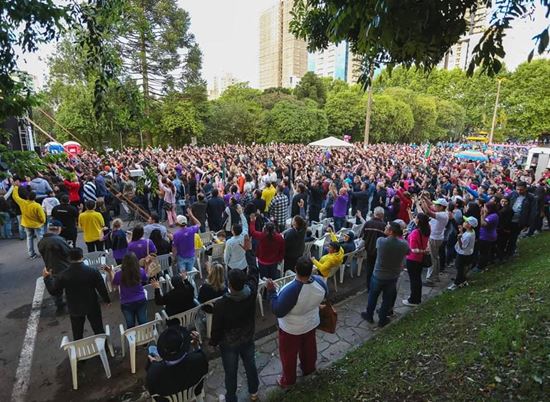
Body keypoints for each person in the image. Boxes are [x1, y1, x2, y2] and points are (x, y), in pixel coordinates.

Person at [266, 256, 327, 388]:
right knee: (309, 348)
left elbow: (278, 310)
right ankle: (309, 368)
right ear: (311, 270)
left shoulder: (291, 290)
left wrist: (271, 292)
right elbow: (323, 296)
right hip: (311, 322)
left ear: (295, 269)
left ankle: (288, 380)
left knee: (289, 355)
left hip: (291, 329)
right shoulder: (320, 283)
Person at [210, 243, 260, 402]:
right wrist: (249, 252)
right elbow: (254, 271)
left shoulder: (221, 304)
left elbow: (216, 328)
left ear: (229, 285)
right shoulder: (251, 292)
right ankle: (254, 392)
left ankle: (231, 397)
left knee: (231, 371)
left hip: (229, 343)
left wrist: (213, 342)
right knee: (250, 365)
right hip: (247, 337)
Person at [43, 247, 110, 340]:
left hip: (74, 307)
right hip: (92, 305)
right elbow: (101, 288)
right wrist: (107, 300)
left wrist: (47, 278)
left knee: (77, 332)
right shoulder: (92, 271)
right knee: (98, 329)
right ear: (82, 257)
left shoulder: (63, 275)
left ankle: (80, 351)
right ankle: (104, 348)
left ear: (69, 259)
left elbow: (54, 291)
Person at [361, 221, 409, 327]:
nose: (385, 228)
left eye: (387, 227)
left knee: (373, 296)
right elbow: (408, 252)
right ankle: (382, 319)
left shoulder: (381, 241)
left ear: (391, 231)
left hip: (378, 275)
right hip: (393, 276)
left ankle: (369, 315)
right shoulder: (404, 244)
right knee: (387, 299)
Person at [146, 326, 208, 400]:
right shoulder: (199, 359)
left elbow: (153, 393)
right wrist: (196, 346)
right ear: (183, 346)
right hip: (192, 392)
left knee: (151, 347)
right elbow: (203, 367)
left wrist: (153, 363)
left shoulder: (154, 373)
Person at [105, 252, 148, 328]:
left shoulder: (119, 274)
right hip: (141, 299)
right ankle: (145, 336)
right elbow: (145, 279)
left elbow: (114, 284)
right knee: (143, 321)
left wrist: (110, 272)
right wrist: (147, 266)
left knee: (130, 324)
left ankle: (132, 338)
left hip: (126, 302)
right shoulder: (140, 271)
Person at [38, 219, 71, 312]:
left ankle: (59, 306)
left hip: (51, 268)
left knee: (57, 290)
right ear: (58, 228)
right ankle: (71, 305)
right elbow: (68, 252)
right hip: (64, 267)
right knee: (69, 288)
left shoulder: (41, 241)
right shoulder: (58, 240)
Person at [419, 196, 449, 286]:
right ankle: (435, 276)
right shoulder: (442, 212)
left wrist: (421, 202)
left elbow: (428, 211)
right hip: (437, 237)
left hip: (434, 238)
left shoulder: (442, 215)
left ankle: (430, 279)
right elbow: (431, 205)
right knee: (436, 257)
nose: (434, 206)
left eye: (437, 205)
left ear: (441, 207)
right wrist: (425, 198)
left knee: (432, 258)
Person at [402, 213, 430, 306]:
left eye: (416, 218)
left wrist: (422, 251)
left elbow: (414, 249)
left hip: (412, 258)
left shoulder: (416, 232)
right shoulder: (427, 229)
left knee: (414, 279)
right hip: (420, 259)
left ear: (418, 220)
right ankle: (417, 298)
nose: (414, 219)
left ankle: (413, 299)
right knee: (417, 278)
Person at [12, 183, 46, 258]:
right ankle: (43, 253)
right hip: (37, 224)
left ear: (27, 197)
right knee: (40, 238)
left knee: (29, 238)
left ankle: (31, 254)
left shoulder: (23, 203)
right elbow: (42, 217)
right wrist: (42, 222)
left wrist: (15, 187)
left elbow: (15, 197)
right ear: (35, 197)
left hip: (26, 224)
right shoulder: (37, 205)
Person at [448, 216, 477, 290]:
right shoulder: (471, 232)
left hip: (463, 254)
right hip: (467, 253)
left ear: (470, 225)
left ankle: (456, 283)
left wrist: (459, 238)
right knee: (460, 267)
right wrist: (461, 231)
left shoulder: (469, 235)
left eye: (466, 222)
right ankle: (463, 280)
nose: (464, 222)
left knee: (459, 267)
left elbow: (462, 246)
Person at [507, 181, 535, 257]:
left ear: (525, 189)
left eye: (521, 190)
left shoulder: (530, 197)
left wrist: (527, 224)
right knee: (507, 236)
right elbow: (506, 201)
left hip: (519, 221)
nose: (519, 191)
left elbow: (532, 212)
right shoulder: (513, 194)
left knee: (514, 237)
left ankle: (510, 252)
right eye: (517, 189)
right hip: (509, 219)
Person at [362, 207, 386, 291]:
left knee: (369, 269)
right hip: (379, 251)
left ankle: (369, 287)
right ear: (382, 215)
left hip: (369, 249)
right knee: (378, 269)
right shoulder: (384, 226)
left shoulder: (368, 223)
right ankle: (376, 287)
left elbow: (363, 236)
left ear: (374, 214)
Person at [223, 205, 250, 271]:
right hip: (244, 264)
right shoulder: (245, 234)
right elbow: (245, 224)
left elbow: (226, 256)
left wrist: (226, 263)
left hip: (233, 266)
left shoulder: (229, 242)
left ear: (233, 232)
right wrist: (241, 213)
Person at [478, 201, 499, 270]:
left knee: (483, 253)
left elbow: (483, 224)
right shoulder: (490, 214)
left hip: (486, 237)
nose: (483, 209)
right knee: (485, 251)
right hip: (486, 235)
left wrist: (482, 215)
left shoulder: (493, 216)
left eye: (485, 207)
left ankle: (481, 266)